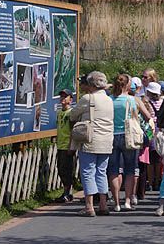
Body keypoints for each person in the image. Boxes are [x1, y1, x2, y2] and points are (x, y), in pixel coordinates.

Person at [70, 71, 114, 217]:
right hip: (107, 140)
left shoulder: (88, 98)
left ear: (90, 84)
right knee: (101, 172)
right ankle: (103, 204)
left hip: (90, 139)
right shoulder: (109, 99)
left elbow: (73, 115)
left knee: (88, 172)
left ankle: (89, 206)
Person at [108, 74, 139, 212]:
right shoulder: (130, 100)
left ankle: (116, 202)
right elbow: (135, 117)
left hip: (112, 135)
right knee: (130, 169)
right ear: (127, 85)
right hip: (128, 136)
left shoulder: (110, 100)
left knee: (113, 170)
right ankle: (127, 200)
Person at [55, 89, 75, 203]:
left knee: (66, 169)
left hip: (67, 145)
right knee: (60, 169)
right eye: (61, 97)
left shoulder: (71, 113)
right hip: (60, 144)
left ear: (70, 100)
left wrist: (71, 146)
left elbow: (72, 130)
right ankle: (66, 191)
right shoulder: (59, 113)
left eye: (65, 97)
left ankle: (68, 192)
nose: (62, 98)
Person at [143, 82, 164, 191]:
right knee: (159, 157)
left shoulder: (147, 103)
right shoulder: (163, 102)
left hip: (150, 129)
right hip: (161, 130)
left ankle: (150, 182)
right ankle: (158, 181)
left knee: (150, 159)